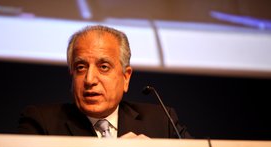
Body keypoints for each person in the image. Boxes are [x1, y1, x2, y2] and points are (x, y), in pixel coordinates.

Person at [18, 25, 190, 139]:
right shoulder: (42, 123)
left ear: (126, 77)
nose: (89, 79)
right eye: (81, 67)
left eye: (104, 67)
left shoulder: (162, 121)